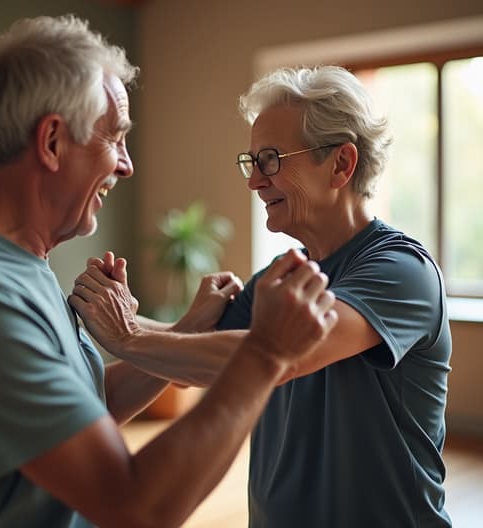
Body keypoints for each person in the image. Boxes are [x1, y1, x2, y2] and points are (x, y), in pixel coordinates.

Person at [0, 16, 339, 528]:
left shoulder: (13, 260)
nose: (126, 165)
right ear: (52, 142)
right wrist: (265, 354)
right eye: (115, 137)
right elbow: (134, 506)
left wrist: (186, 331)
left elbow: (88, 407)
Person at [72, 65, 452, 527]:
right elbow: (205, 362)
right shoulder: (280, 276)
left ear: (341, 164)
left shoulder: (401, 272)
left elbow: (286, 356)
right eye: (251, 163)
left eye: (270, 159)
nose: (254, 181)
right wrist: (131, 316)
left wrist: (129, 334)